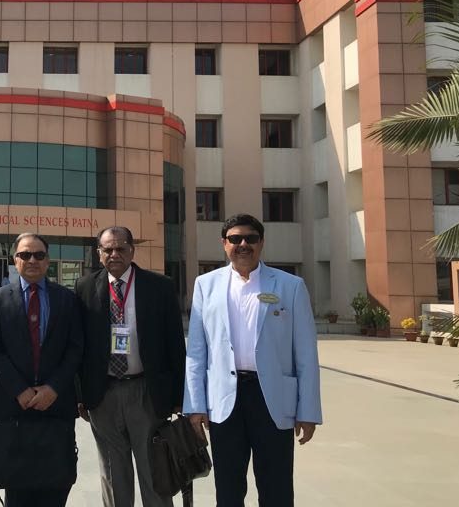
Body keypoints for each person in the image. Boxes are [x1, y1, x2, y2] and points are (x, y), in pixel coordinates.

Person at [184, 213, 322, 506]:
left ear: (261, 243)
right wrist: (195, 405)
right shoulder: (206, 285)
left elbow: (306, 354)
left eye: (251, 238)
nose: (243, 244)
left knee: (276, 488)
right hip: (225, 400)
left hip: (272, 398)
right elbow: (196, 351)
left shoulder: (290, 286)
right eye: (235, 239)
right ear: (224, 244)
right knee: (228, 488)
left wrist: (308, 410)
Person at [74, 226, 186, 507]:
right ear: (99, 253)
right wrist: (80, 394)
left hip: (146, 390)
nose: (115, 254)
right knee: (113, 474)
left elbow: (175, 344)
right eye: (108, 249)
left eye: (121, 248)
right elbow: (78, 345)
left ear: (132, 251)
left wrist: (178, 396)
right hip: (103, 394)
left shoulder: (159, 286)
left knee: (154, 471)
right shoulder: (84, 287)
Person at [0, 233, 84, 507]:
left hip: (57, 407)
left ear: (48, 261)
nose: (32, 260)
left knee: (56, 488)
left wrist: (54, 388)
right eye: (25, 255)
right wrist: (20, 390)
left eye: (39, 255)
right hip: (15, 407)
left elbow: (75, 348)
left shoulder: (67, 299)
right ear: (14, 260)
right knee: (18, 492)